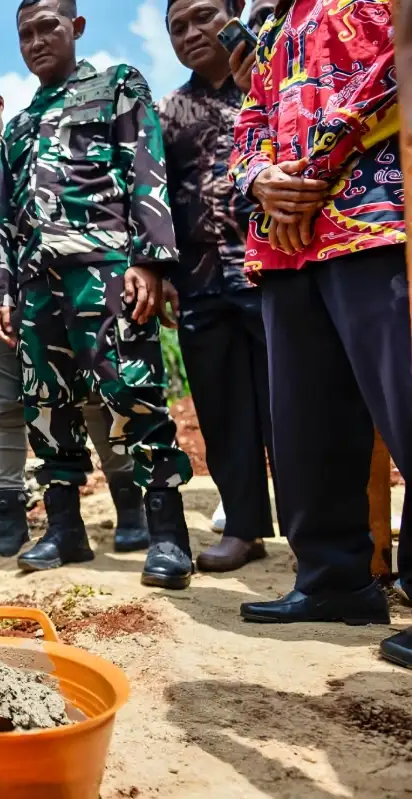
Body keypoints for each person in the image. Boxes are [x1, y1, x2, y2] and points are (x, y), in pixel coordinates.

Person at [0, 0, 195, 589]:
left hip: (106, 267)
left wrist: (150, 262)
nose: (36, 40)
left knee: (133, 392)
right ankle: (65, 530)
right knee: (46, 404)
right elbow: (4, 215)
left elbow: (146, 167)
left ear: (76, 28)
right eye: (25, 33)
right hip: (35, 284)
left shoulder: (117, 86)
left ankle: (168, 537)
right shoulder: (20, 125)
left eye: (48, 26)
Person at [232, 0, 409, 668]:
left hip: (375, 224)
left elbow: (396, 66)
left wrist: (312, 165)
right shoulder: (274, 26)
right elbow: (250, 119)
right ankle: (334, 582)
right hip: (286, 246)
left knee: (404, 401)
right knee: (306, 424)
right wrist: (262, 180)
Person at [0, 69, 150, 558]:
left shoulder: (38, 148)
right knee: (8, 408)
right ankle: (13, 519)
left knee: (94, 397)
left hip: (62, 297)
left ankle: (130, 505)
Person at [159, 0, 279, 572]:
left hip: (276, 270)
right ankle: (246, 528)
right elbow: (153, 200)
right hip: (200, 283)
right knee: (223, 410)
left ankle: (316, 532)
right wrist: (159, 270)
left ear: (234, 13)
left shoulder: (274, 75)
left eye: (203, 16)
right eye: (177, 26)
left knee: (294, 407)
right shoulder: (169, 111)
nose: (190, 32)